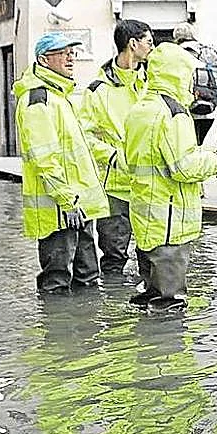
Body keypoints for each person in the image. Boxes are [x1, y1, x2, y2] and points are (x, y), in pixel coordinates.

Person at [123, 42, 217, 311]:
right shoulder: (174, 114)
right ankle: (168, 352)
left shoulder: (140, 109)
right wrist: (215, 160)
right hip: (171, 222)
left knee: (150, 295)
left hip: (146, 218)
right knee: (170, 304)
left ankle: (144, 348)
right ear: (179, 74)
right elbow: (184, 167)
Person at [14, 32, 110, 294]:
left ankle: (87, 330)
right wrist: (67, 200)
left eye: (72, 52)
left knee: (88, 277)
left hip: (80, 207)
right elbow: (44, 158)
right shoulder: (38, 100)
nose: (71, 58)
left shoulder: (60, 98)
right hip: (60, 210)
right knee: (57, 281)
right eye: (63, 53)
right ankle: (58, 332)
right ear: (44, 60)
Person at [80, 19, 151, 276]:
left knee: (151, 255)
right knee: (112, 256)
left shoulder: (151, 84)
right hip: (115, 188)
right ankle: (113, 310)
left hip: (148, 186)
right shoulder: (97, 90)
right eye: (149, 42)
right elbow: (84, 136)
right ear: (133, 44)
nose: (152, 48)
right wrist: (111, 156)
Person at [173, 22, 217, 145]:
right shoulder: (207, 52)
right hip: (209, 109)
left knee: (187, 146)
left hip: (186, 110)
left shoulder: (176, 53)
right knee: (198, 144)